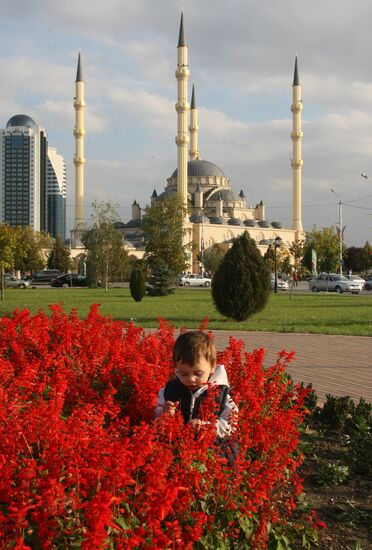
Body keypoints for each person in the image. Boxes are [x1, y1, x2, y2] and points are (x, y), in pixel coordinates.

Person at [155, 331, 237, 439]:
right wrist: (164, 413)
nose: (191, 379)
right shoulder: (169, 390)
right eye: (184, 373)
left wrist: (205, 427)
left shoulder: (222, 394)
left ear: (212, 367)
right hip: (176, 443)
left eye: (198, 374)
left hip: (211, 449)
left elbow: (230, 425)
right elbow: (155, 419)